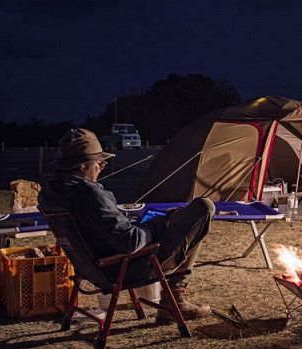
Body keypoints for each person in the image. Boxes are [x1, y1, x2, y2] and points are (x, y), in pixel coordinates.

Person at [38, 128, 214, 322]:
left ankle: (175, 300)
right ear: (82, 166)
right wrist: (160, 223)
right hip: (123, 269)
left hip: (90, 268)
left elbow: (106, 229)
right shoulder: (88, 193)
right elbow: (130, 242)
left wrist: (139, 224)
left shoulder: (50, 194)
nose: (101, 168)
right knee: (202, 210)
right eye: (100, 164)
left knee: (178, 220)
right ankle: (175, 299)